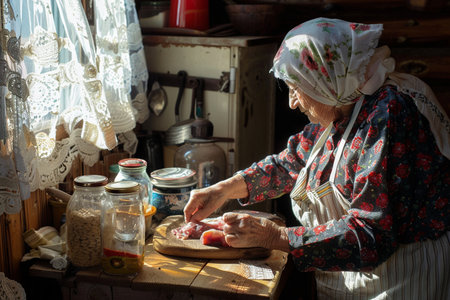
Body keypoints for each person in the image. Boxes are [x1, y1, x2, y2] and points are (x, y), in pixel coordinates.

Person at [183, 18, 449, 299]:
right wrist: (222, 189)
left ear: (326, 80)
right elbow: (290, 163)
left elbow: (371, 236)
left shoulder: (387, 117)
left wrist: (276, 237)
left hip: (402, 280)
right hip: (358, 279)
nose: (292, 103)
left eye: (296, 89)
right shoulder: (346, 99)